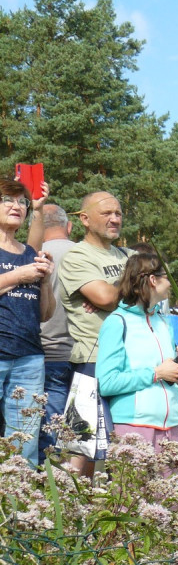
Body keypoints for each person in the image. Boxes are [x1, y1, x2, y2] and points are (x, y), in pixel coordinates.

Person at [58, 191, 133, 472]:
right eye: (107, 214)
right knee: (83, 445)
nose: (115, 219)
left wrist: (114, 291)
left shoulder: (128, 254)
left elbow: (158, 289)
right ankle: (68, 509)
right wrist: (125, 289)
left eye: (118, 213)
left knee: (121, 444)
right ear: (85, 220)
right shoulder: (77, 256)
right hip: (92, 359)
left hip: (130, 360)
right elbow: (104, 297)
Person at [96, 253, 178, 457]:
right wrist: (157, 373)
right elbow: (105, 382)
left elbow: (169, 378)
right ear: (153, 280)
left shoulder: (164, 322)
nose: (171, 283)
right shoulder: (117, 322)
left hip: (171, 427)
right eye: (167, 276)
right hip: (133, 428)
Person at [0, 178, 56, 464]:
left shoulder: (31, 254)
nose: (16, 206)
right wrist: (17, 277)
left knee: (24, 441)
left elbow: (46, 314)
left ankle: (18, 503)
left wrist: (44, 281)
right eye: (8, 200)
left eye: (21, 202)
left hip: (30, 359)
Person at [38, 204, 76, 460]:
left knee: (47, 434)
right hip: (85, 355)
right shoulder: (85, 255)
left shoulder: (33, 256)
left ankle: (47, 485)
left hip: (45, 353)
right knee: (81, 436)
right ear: (69, 226)